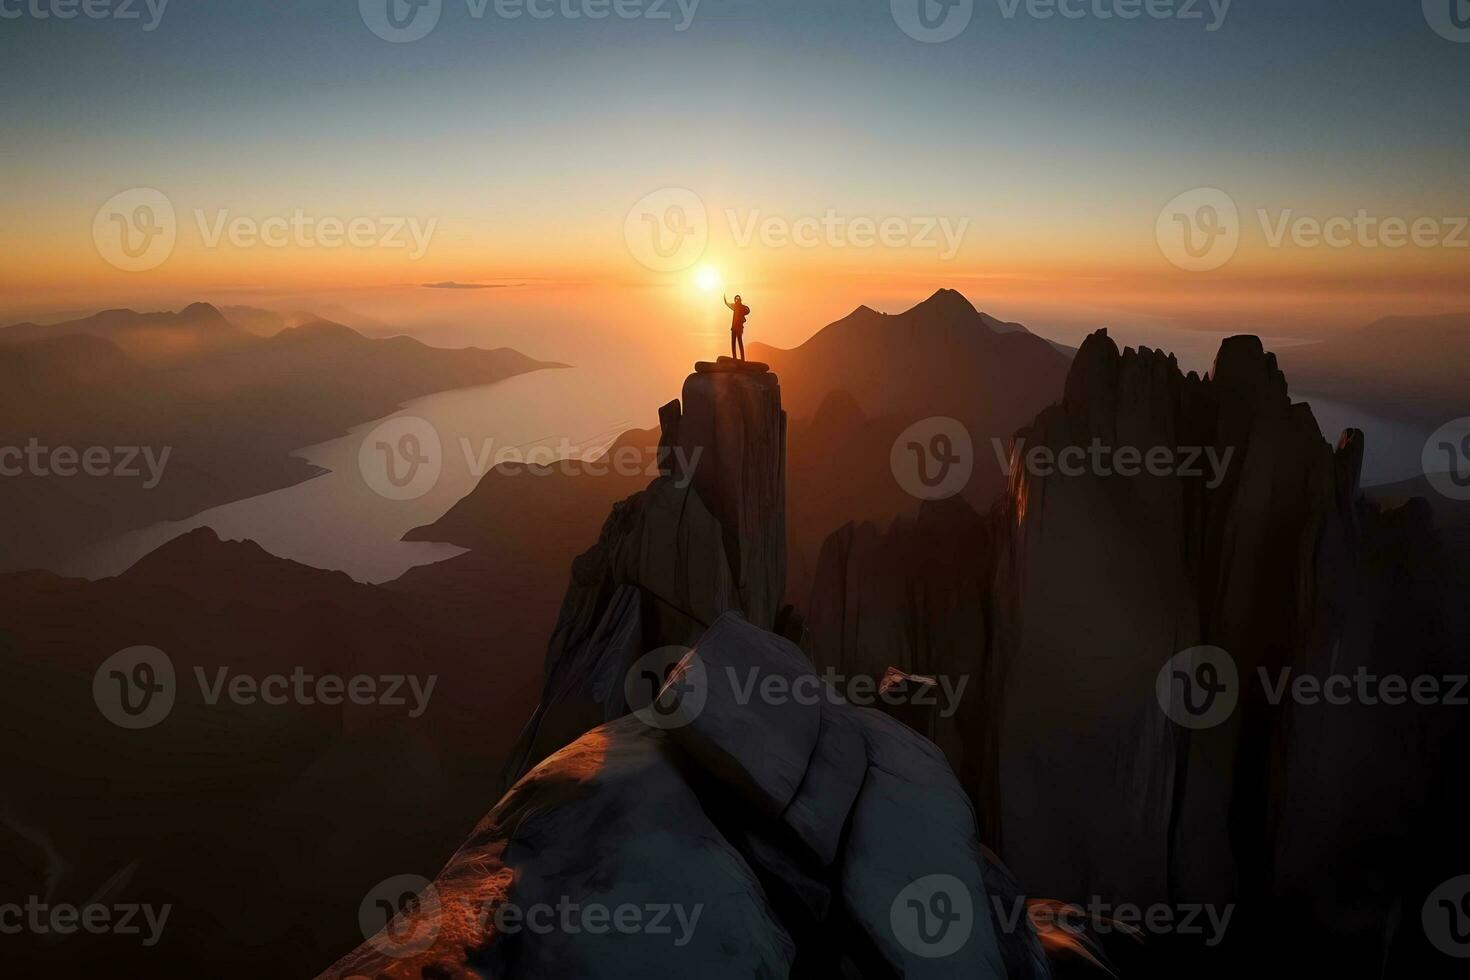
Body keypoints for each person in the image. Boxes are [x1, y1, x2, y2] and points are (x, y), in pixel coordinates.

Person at [724, 293, 750, 361]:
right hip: (734, 328)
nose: (736, 301)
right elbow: (728, 304)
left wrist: (744, 307)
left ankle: (742, 359)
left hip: (738, 328)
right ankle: (736, 358)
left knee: (739, 343)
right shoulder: (736, 306)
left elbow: (748, 310)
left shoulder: (741, 307)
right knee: (734, 343)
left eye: (737, 299)